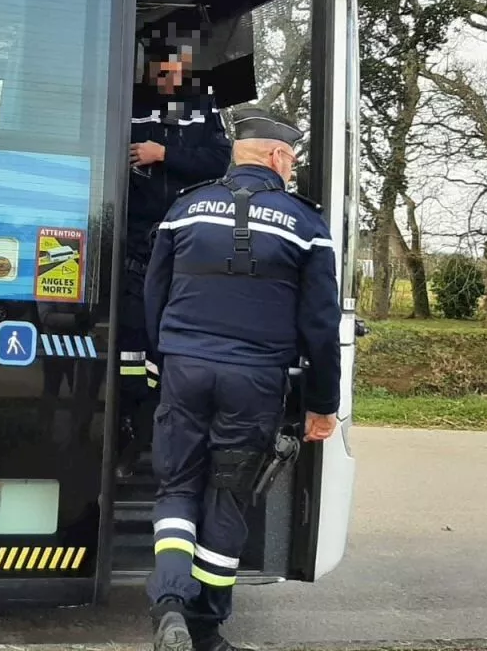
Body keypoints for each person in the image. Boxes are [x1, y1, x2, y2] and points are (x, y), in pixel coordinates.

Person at [141, 105, 341, 651]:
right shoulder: (305, 224)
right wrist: (322, 404)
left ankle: (169, 604)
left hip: (185, 369)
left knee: (177, 486)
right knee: (226, 496)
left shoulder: (185, 209)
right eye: (292, 161)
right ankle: (205, 628)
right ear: (277, 157)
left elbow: (153, 295)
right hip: (252, 381)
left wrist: (160, 363)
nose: (292, 170)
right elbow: (320, 325)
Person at [117, 34, 232, 475]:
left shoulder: (203, 107)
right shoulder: (127, 100)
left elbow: (218, 162)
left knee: (173, 342)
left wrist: (162, 153)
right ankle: (127, 430)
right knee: (131, 344)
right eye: (161, 70)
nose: (168, 77)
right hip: (132, 236)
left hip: (186, 238)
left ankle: (164, 438)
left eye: (176, 70)